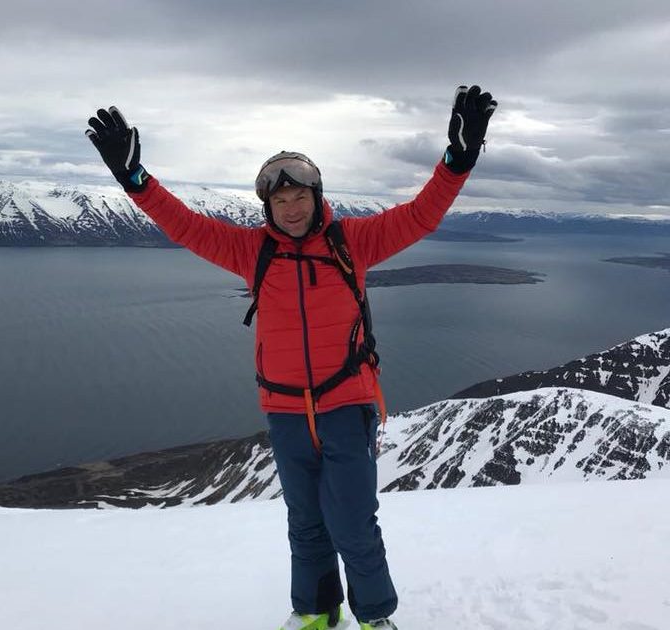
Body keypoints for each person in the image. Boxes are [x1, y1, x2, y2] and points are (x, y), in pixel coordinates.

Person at [86, 84, 496, 630]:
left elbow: (420, 216)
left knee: (353, 523)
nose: (291, 208)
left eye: (299, 196)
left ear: (317, 196)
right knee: (305, 523)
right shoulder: (252, 251)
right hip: (284, 411)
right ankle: (316, 614)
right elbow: (184, 225)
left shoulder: (352, 241)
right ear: (268, 208)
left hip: (346, 403)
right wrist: (135, 179)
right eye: (280, 202)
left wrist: (457, 161)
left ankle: (374, 618)